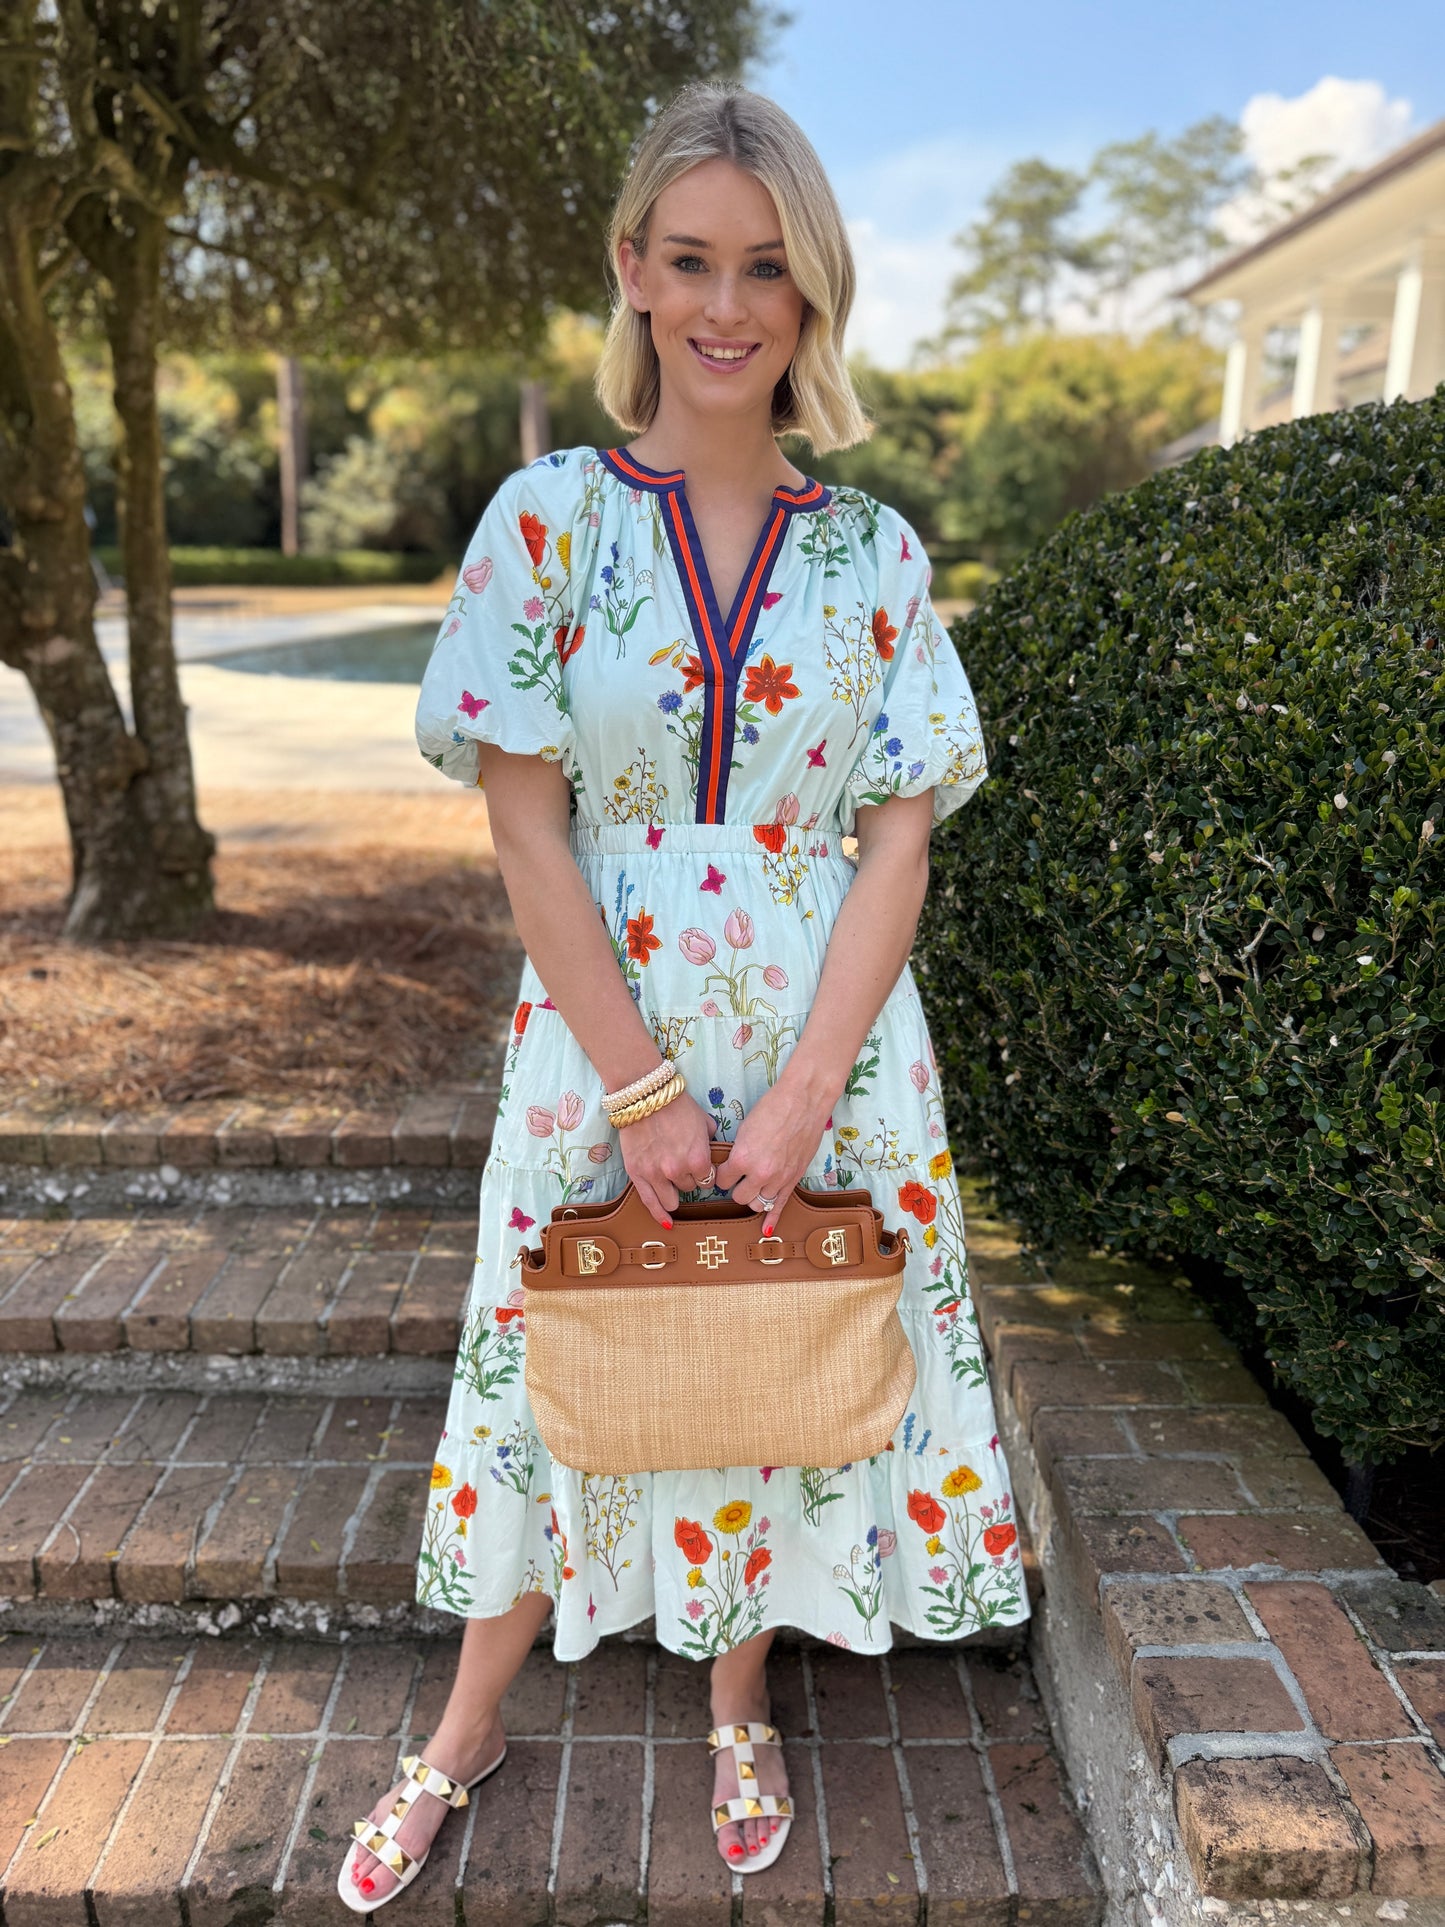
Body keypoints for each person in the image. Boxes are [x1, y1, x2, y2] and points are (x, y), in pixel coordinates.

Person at [338, 79, 1028, 1915]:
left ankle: (738, 1699)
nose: (729, 307)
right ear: (630, 269)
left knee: (770, 1351)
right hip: (598, 1043)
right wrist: (647, 1095)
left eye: (770, 270)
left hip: (831, 1053)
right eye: (694, 261)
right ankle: (466, 1720)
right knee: (542, 1364)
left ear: (814, 298)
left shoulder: (872, 555)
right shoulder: (546, 522)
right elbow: (526, 831)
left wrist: (800, 1098)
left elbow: (897, 847)